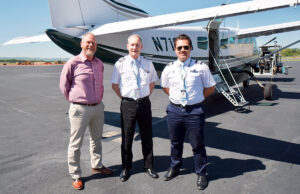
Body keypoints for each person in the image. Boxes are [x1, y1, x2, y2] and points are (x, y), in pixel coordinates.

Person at [160, 34, 216, 190]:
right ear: (175, 50)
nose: (183, 50)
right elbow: (165, 87)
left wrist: (196, 99)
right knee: (175, 142)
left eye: (186, 47)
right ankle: (175, 167)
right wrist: (177, 99)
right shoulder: (169, 68)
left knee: (197, 144)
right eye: (179, 47)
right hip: (174, 110)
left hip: (194, 111)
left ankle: (201, 173)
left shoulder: (201, 67)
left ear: (191, 48)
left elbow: (210, 87)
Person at [59, 33, 113, 190]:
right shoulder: (73, 63)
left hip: (97, 107)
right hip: (79, 108)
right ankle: (75, 174)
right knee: (75, 143)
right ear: (82, 44)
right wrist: (74, 100)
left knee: (96, 139)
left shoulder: (99, 63)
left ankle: (97, 165)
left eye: (93, 43)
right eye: (88, 42)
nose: (91, 45)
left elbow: (100, 84)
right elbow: (64, 86)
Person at [111, 34, 159, 182]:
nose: (134, 47)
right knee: (127, 137)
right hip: (128, 104)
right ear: (127, 46)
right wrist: (127, 99)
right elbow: (114, 85)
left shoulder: (147, 63)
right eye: (132, 45)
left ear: (141, 47)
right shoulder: (120, 64)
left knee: (147, 136)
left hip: (144, 103)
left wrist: (143, 97)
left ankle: (149, 166)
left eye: (137, 45)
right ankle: (126, 168)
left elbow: (152, 83)